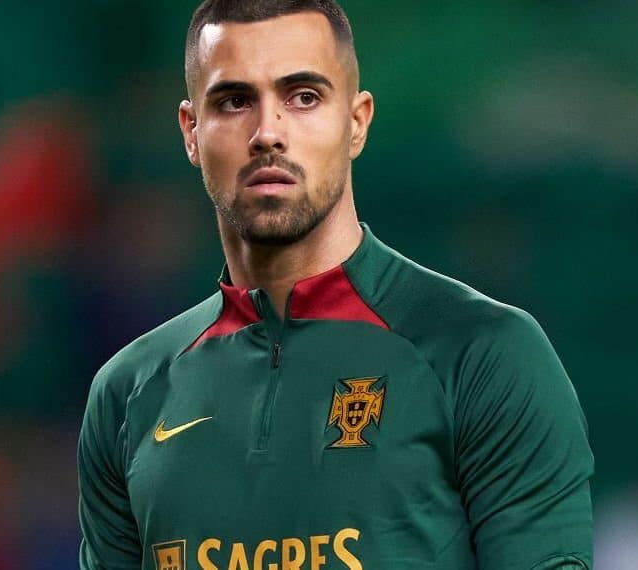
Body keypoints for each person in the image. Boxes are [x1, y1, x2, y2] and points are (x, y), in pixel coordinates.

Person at [77, 1, 594, 569]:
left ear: (356, 122)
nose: (267, 133)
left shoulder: (484, 356)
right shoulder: (127, 392)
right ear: (192, 132)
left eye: (303, 97)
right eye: (234, 101)